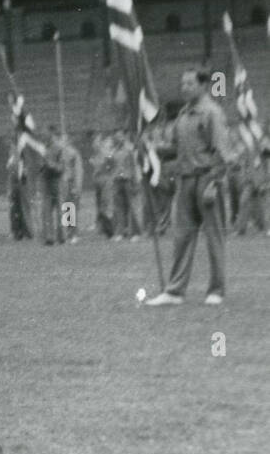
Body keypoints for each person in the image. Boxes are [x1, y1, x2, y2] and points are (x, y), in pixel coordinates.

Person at [146, 69, 239, 306]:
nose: (184, 87)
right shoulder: (183, 115)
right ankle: (174, 291)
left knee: (214, 237)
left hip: (207, 179)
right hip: (185, 181)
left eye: (189, 83)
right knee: (182, 237)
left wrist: (216, 183)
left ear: (203, 85)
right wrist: (152, 148)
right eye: (182, 83)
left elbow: (223, 152)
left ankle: (216, 290)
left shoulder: (212, 113)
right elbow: (176, 149)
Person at [111, 131, 142, 240]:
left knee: (131, 206)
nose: (118, 139)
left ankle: (135, 233)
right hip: (117, 180)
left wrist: (136, 182)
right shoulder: (114, 151)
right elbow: (112, 166)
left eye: (120, 137)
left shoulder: (129, 150)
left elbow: (134, 166)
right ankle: (121, 232)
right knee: (119, 207)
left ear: (123, 138)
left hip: (128, 180)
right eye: (116, 137)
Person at [38, 126, 65, 246]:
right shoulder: (42, 148)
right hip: (46, 180)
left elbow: (62, 166)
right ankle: (49, 237)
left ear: (51, 134)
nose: (43, 135)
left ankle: (63, 236)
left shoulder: (59, 147)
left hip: (57, 180)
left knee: (61, 209)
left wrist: (52, 165)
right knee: (46, 210)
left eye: (45, 133)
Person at [234, 141, 267, 236]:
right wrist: (244, 179)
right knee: (244, 202)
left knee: (261, 207)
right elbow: (244, 168)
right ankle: (241, 230)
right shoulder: (249, 154)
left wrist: (265, 184)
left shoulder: (265, 156)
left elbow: (267, 170)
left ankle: (264, 228)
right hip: (250, 183)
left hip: (261, 183)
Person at [90, 134, 116, 238]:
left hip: (105, 179)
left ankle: (110, 230)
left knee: (106, 205)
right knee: (100, 205)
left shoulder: (106, 153)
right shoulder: (96, 155)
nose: (94, 144)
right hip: (98, 180)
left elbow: (111, 164)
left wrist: (110, 177)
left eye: (96, 142)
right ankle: (102, 228)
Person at [6, 141, 33, 240]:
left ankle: (28, 232)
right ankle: (16, 231)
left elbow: (24, 175)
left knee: (24, 209)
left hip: (21, 186)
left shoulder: (22, 160)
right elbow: (10, 175)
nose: (11, 150)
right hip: (13, 186)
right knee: (14, 209)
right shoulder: (11, 160)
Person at [60, 132, 83, 244]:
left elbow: (78, 171)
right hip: (63, 184)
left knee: (72, 209)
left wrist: (76, 186)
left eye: (65, 140)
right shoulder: (61, 153)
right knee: (66, 209)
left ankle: (74, 234)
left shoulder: (74, 153)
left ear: (69, 141)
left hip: (71, 183)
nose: (63, 142)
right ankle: (67, 234)